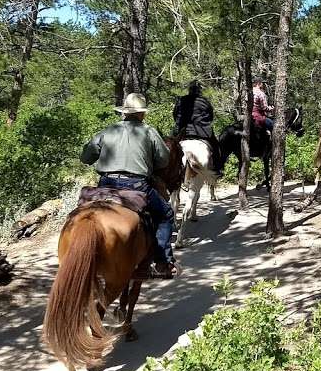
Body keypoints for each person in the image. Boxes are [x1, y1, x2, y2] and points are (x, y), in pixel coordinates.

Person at [81, 93, 178, 279]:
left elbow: (85, 157)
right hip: (137, 185)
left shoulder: (107, 131)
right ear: (142, 114)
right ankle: (162, 262)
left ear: (124, 112)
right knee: (166, 214)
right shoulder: (149, 132)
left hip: (106, 184)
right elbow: (164, 161)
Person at [172, 80, 221, 176]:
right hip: (203, 132)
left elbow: (175, 114)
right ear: (199, 90)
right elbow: (210, 116)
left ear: (189, 90)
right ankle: (217, 169)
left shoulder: (181, 100)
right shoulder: (205, 101)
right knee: (216, 146)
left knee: (168, 145)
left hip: (182, 132)